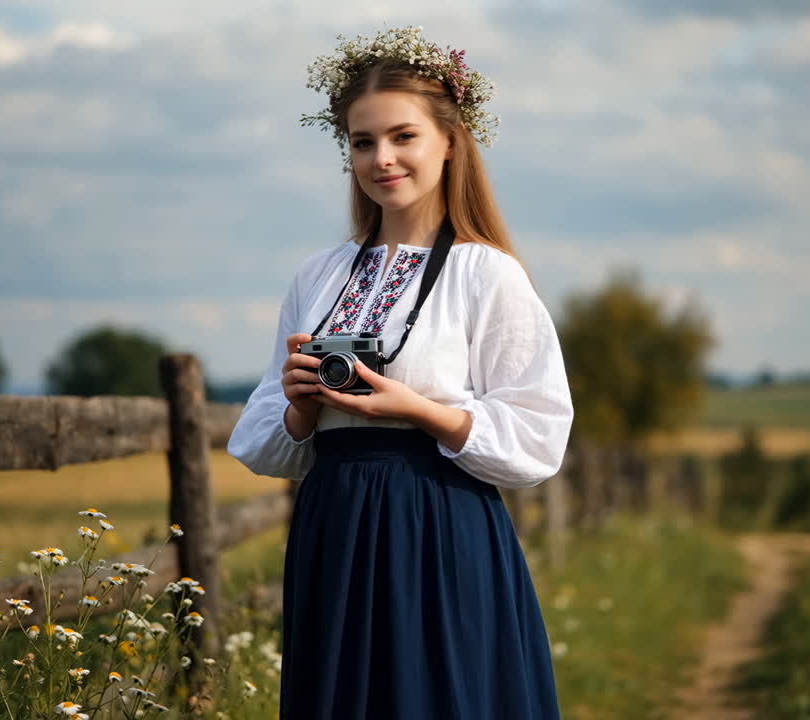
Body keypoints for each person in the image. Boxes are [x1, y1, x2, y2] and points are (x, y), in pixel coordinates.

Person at [227, 26, 573, 720]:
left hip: (439, 523)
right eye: (362, 142)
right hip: (335, 522)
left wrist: (418, 411)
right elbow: (264, 437)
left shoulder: (487, 275)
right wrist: (299, 408)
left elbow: (539, 434)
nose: (381, 158)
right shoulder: (318, 275)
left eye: (402, 136)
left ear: (450, 141)